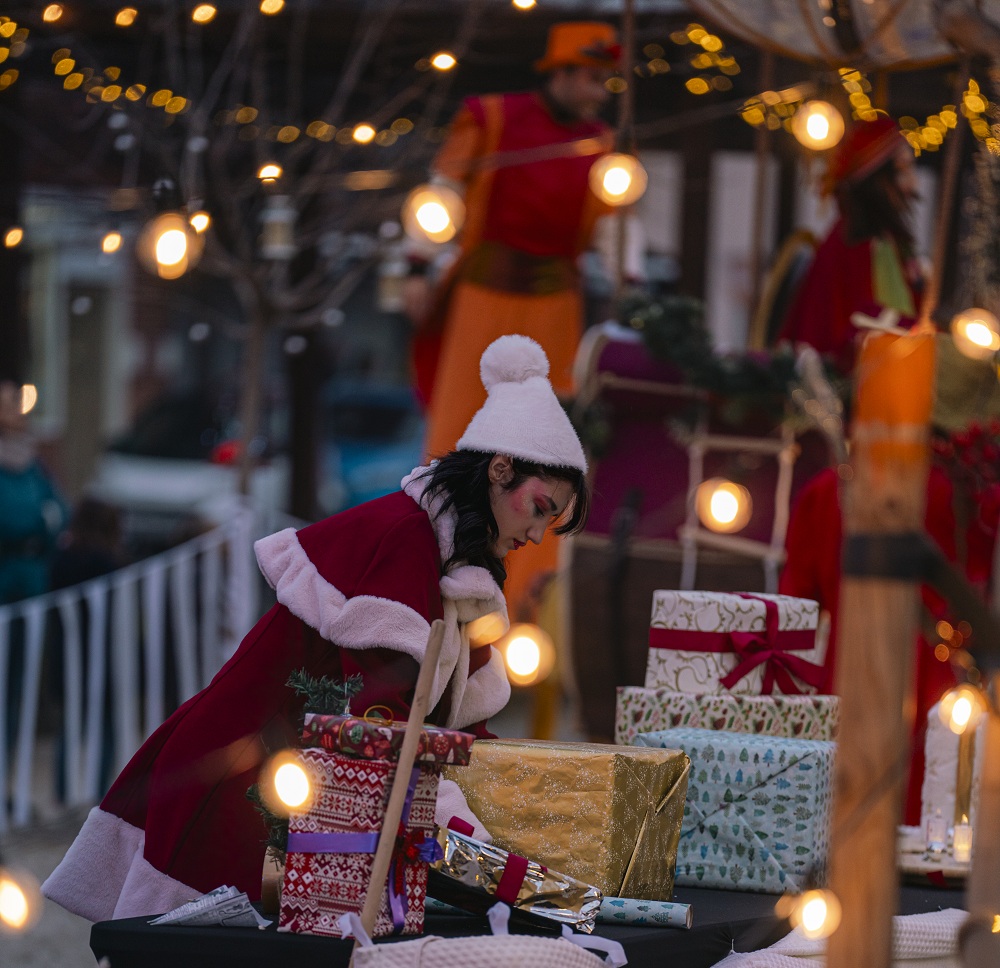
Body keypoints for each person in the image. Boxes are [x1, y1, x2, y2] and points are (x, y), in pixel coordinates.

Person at [41, 334, 590, 922]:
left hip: (301, 792)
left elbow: (452, 734)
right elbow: (385, 734)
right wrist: (500, 860)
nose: (538, 534)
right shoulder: (404, 541)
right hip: (248, 785)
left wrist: (537, 820)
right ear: (500, 469)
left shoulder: (452, 561)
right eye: (540, 507)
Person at [412, 20, 622, 622]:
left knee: (543, 455)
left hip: (555, 313)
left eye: (605, 79)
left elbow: (610, 227)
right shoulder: (490, 117)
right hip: (482, 301)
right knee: (460, 440)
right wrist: (416, 265)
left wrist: (633, 282)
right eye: (591, 77)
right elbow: (444, 189)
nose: (600, 91)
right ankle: (437, 579)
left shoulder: (603, 146)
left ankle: (523, 608)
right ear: (558, 73)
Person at [776, 115, 924, 374]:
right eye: (903, 171)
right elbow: (859, 323)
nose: (914, 184)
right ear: (877, 181)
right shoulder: (853, 246)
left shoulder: (890, 243)